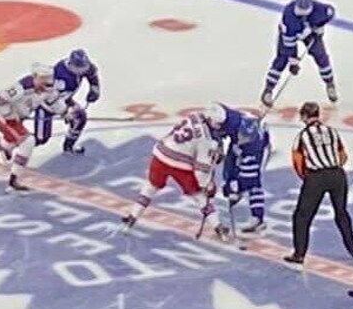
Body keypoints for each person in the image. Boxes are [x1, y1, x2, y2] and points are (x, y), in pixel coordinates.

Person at [120, 109, 230, 242]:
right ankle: (218, 227)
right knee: (199, 195)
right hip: (180, 165)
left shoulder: (193, 116)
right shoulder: (205, 140)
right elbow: (201, 169)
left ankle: (132, 216)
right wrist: (208, 186)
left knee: (151, 186)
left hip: (161, 154)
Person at [284, 101, 353, 268]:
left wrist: (308, 178)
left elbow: (298, 162)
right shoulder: (331, 131)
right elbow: (343, 154)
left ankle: (299, 254)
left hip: (316, 177)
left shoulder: (303, 136)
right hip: (337, 174)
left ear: (303, 116)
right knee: (341, 213)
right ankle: (352, 248)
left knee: (302, 217)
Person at [0, 63, 65, 192]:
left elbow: (55, 103)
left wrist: (66, 113)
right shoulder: (22, 87)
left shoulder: (49, 89)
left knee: (11, 140)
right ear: (35, 77)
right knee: (27, 141)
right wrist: (8, 115)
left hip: (17, 118)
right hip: (2, 117)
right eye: (44, 77)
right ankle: (14, 180)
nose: (48, 80)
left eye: (49, 77)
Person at [260, 0, 337, 108]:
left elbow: (330, 12)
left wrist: (319, 26)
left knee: (321, 56)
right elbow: (289, 44)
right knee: (282, 59)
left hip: (311, 33)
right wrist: (293, 61)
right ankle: (268, 89)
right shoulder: (289, 17)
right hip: (290, 35)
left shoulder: (320, 8)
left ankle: (330, 83)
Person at [33, 49, 101, 154]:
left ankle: (68, 146)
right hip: (46, 105)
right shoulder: (59, 76)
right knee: (41, 139)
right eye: (80, 68)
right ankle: (9, 149)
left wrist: (94, 89)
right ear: (71, 65)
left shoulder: (85, 67)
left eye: (85, 66)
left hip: (65, 98)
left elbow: (92, 75)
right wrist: (65, 112)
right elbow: (50, 100)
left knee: (80, 118)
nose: (83, 70)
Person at [222, 116, 271, 233]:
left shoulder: (252, 150)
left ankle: (257, 218)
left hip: (252, 171)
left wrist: (231, 187)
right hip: (251, 171)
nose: (240, 138)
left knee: (253, 188)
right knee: (254, 189)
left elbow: (245, 177)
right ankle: (258, 218)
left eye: (243, 136)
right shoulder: (247, 141)